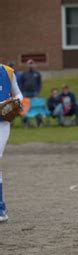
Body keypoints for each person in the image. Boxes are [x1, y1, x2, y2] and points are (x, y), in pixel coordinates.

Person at [0, 63, 23, 222]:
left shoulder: (7, 71)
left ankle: (1, 208)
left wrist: (12, 102)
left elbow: (19, 95)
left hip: (1, 124)